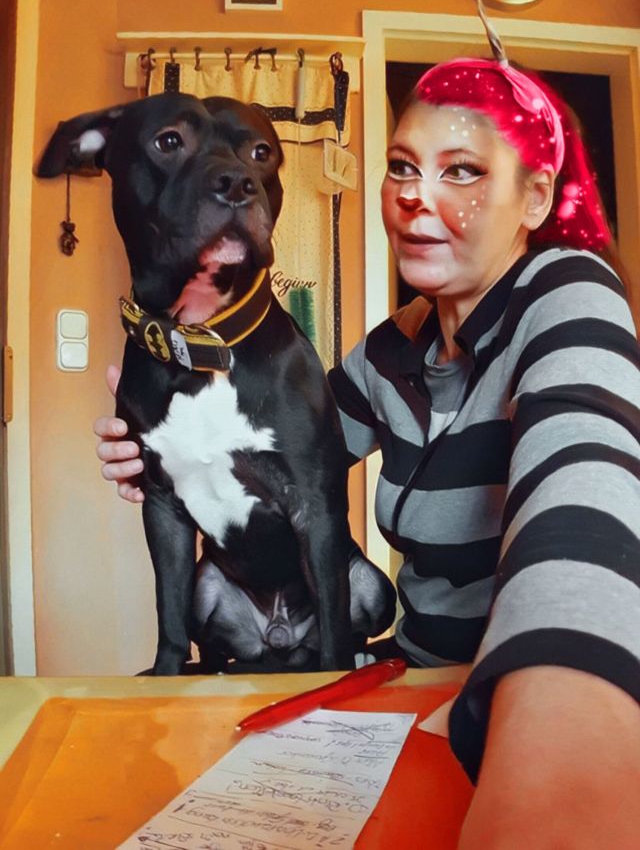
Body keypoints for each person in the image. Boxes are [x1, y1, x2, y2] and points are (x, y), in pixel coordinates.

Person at [95, 53, 640, 847]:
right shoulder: (390, 352)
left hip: (512, 702)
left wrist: (567, 745)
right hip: (401, 678)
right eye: (403, 167)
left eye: (462, 170)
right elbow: (285, 462)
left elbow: (582, 492)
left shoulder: (565, 292)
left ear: (534, 197)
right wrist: (169, 450)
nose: (418, 195)